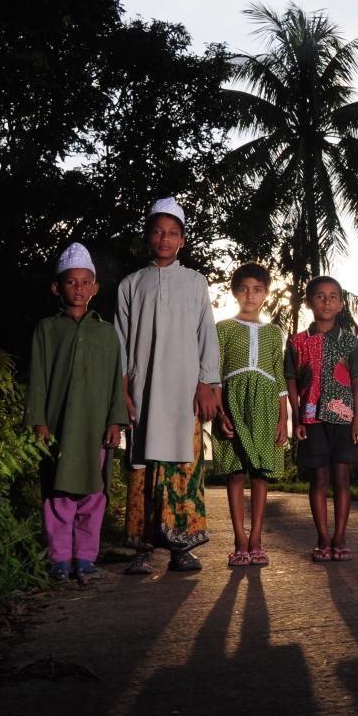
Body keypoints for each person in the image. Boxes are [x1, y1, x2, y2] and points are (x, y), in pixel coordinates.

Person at [114, 197, 222, 574]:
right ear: (148, 237)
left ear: (183, 240)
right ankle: (142, 549)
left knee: (183, 467)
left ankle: (181, 548)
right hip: (143, 391)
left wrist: (208, 383)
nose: (164, 238)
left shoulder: (195, 282)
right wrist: (122, 391)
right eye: (158, 231)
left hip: (183, 392)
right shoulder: (130, 284)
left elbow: (206, 335)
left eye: (172, 233)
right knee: (142, 467)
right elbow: (122, 343)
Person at [24, 243, 128, 583]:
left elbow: (116, 381)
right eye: (71, 282)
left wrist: (116, 420)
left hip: (96, 427)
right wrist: (38, 422)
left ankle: (85, 557)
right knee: (58, 493)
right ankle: (59, 558)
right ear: (57, 287)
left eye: (86, 282)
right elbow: (37, 378)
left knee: (93, 494)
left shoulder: (107, 333)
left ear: (95, 288)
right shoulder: (47, 329)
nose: (79, 288)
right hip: (57, 425)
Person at [284, 276, 358, 562]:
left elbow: (357, 383)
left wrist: (357, 420)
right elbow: (291, 382)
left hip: (343, 420)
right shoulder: (297, 342)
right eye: (320, 296)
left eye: (333, 296)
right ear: (309, 302)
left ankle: (340, 537)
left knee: (342, 479)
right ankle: (323, 538)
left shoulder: (350, 342)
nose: (327, 301)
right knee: (318, 480)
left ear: (341, 304)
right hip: (311, 421)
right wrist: (296, 419)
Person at [215, 263, 288, 567]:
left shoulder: (273, 333)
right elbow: (215, 374)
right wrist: (220, 412)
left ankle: (256, 538)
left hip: (267, 405)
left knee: (260, 473)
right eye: (244, 288)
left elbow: (280, 379)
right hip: (233, 402)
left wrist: (284, 419)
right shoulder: (223, 328)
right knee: (236, 472)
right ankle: (239, 539)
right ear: (235, 293)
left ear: (266, 294)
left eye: (257, 289)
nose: (250, 295)